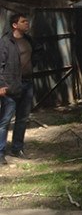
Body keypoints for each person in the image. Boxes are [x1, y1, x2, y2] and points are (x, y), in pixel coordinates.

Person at [0, 13, 42, 165]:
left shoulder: (29, 40)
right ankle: (0, 152)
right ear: (14, 25)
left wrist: (31, 66)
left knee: (22, 119)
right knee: (5, 120)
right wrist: (1, 85)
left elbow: (37, 53)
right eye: (23, 21)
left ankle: (17, 149)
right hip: (10, 86)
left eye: (27, 21)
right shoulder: (5, 42)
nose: (27, 23)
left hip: (27, 84)